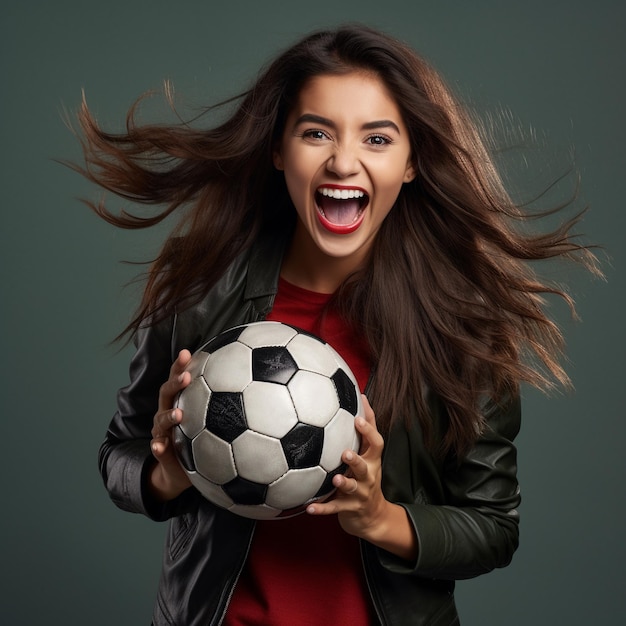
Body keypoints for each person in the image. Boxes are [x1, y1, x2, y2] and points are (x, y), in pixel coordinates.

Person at [75, 25, 597, 625]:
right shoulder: (200, 287)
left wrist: (380, 516)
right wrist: (166, 473)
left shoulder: (462, 327)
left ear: (411, 164)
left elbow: (492, 527)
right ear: (278, 149)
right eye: (316, 132)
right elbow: (119, 453)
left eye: (377, 139)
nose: (343, 161)